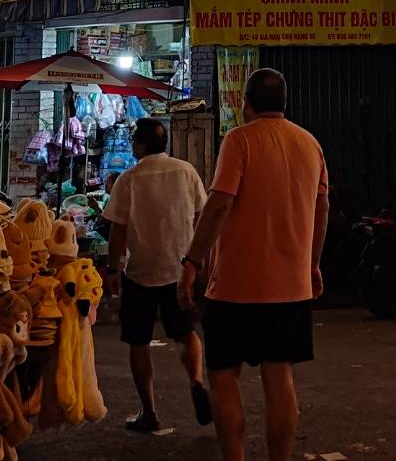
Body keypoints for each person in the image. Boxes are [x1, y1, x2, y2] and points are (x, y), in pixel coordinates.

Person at [179, 69, 328, 461]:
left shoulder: (240, 140)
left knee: (223, 376)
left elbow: (219, 205)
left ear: (246, 103)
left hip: (235, 288)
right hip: (291, 288)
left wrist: (193, 260)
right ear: (284, 102)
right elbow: (322, 208)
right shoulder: (310, 144)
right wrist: (313, 264)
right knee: (280, 378)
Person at [106, 117, 212, 433]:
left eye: (133, 140)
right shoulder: (186, 171)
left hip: (140, 272)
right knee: (186, 332)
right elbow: (201, 215)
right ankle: (196, 380)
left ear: (140, 145)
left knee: (138, 342)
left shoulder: (129, 179)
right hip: (179, 270)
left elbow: (118, 230)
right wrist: (196, 258)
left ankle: (149, 411)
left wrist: (113, 268)